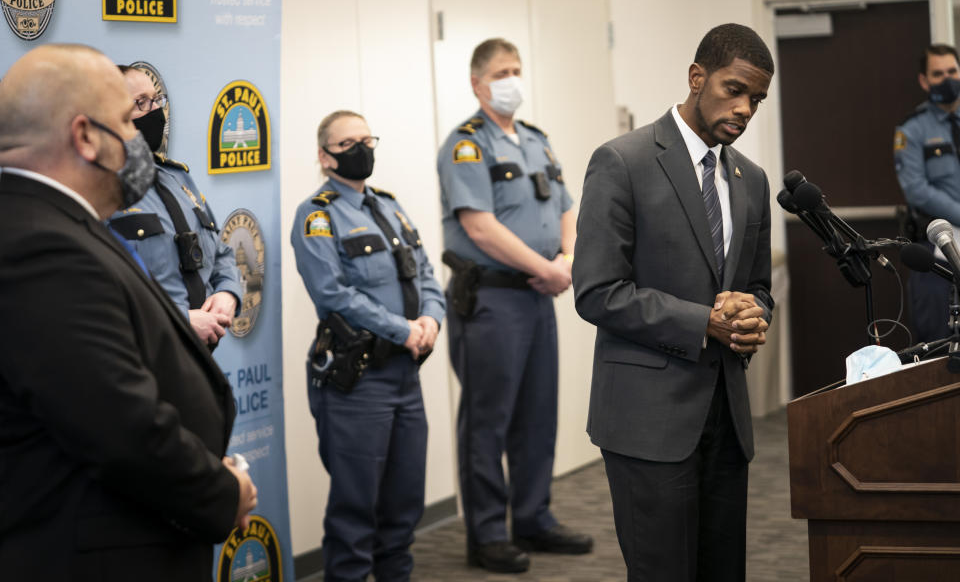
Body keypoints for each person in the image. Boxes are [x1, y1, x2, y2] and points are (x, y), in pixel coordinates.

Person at [0, 44, 257, 579]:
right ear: (85, 136)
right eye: (125, 118)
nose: (139, 134)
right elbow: (118, 425)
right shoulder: (40, 244)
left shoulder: (62, 222)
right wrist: (220, 492)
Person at [572, 23, 775, 582]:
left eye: (756, 99)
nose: (744, 108)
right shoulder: (623, 161)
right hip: (648, 418)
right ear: (696, 77)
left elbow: (758, 286)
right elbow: (596, 290)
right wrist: (704, 322)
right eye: (734, 89)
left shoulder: (750, 179)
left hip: (726, 417)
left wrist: (753, 316)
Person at [437, 37, 592, 574]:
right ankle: (486, 534)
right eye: (502, 72)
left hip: (537, 296)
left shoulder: (535, 141)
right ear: (479, 83)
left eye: (517, 70)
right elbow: (479, 226)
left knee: (536, 414)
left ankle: (533, 517)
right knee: (488, 420)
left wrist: (568, 258)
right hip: (491, 299)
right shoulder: (466, 146)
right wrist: (546, 269)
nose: (512, 81)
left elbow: (567, 206)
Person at [291, 110, 445, 582]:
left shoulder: (390, 207)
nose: (361, 149)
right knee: (356, 513)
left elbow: (424, 273)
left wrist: (431, 320)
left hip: (404, 376)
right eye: (347, 143)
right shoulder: (316, 215)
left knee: (403, 507)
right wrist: (403, 329)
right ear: (324, 156)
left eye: (367, 139)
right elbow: (333, 294)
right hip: (357, 382)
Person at [108, 64, 242, 347]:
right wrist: (179, 320)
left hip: (200, 362)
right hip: (144, 359)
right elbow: (101, 292)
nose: (156, 111)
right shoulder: (101, 189)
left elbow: (220, 253)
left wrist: (228, 293)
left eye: (157, 100)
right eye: (141, 103)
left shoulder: (177, 178)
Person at [893, 44, 960, 343]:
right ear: (924, 80)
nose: (947, 79)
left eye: (952, 71)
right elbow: (916, 189)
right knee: (938, 344)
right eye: (938, 73)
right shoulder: (912, 130)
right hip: (937, 258)